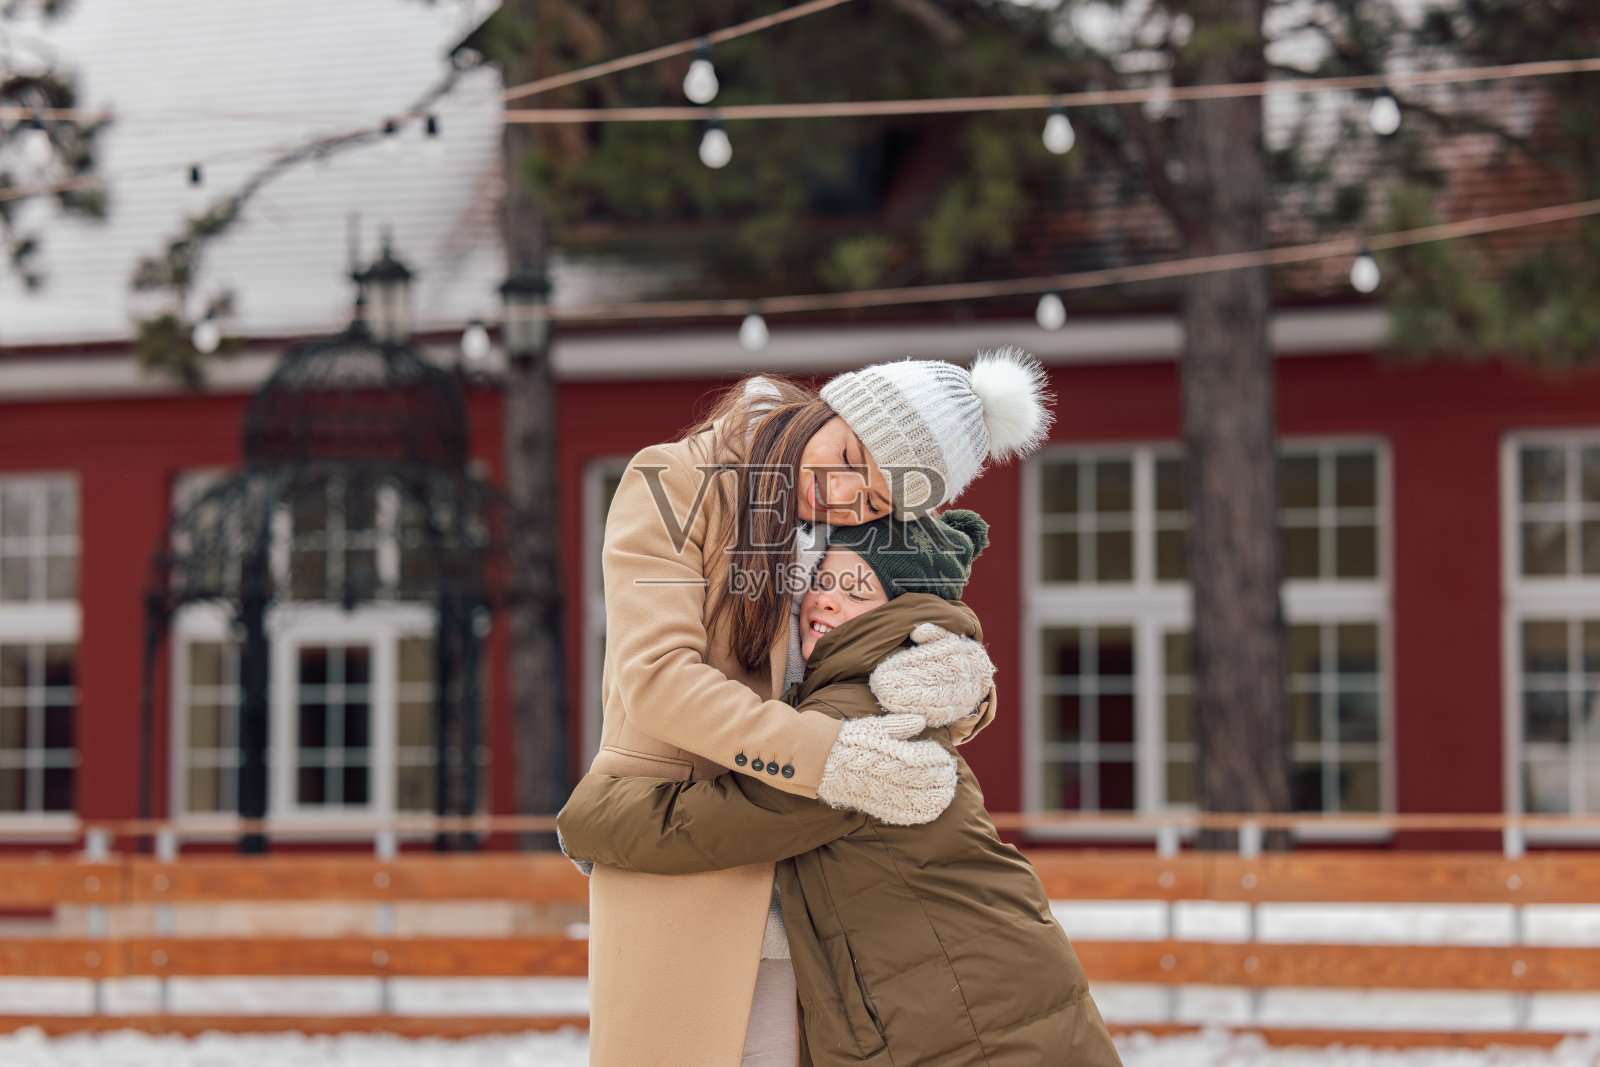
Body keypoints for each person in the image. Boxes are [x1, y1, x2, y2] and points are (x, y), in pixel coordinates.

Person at [588, 351, 1053, 1066]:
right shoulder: (672, 483)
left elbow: (917, 632)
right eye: (847, 459)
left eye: (872, 501)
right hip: (688, 874)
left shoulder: (861, 535)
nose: (842, 498)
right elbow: (657, 680)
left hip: (828, 906)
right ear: (829, 409)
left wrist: (963, 685)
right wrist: (830, 758)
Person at [561, 510, 1123, 1067]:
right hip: (977, 993)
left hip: (981, 1015)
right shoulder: (874, 693)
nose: (826, 602)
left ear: (901, 614)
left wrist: (586, 818)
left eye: (858, 591)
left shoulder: (858, 717)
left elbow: (715, 822)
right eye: (823, 581)